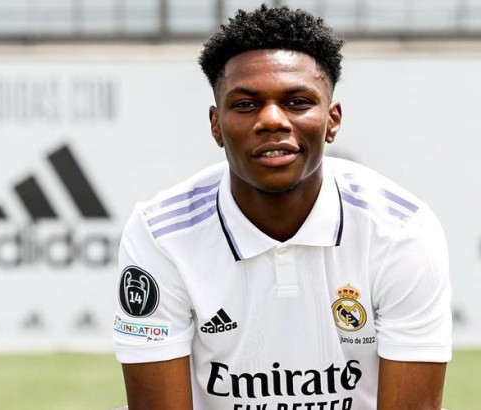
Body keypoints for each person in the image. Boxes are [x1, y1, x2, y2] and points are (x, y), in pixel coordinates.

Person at [113, 5, 452, 410]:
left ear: (332, 120)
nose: (272, 120)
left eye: (297, 102)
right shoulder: (160, 235)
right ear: (216, 125)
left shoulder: (401, 231)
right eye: (245, 104)